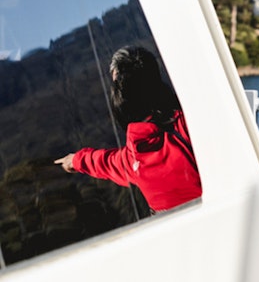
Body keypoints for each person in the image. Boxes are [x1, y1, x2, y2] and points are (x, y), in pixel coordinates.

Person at [54, 46, 201, 213]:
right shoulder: (192, 124)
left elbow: (105, 162)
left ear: (120, 100)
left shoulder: (134, 159)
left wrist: (76, 160)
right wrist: (78, 160)